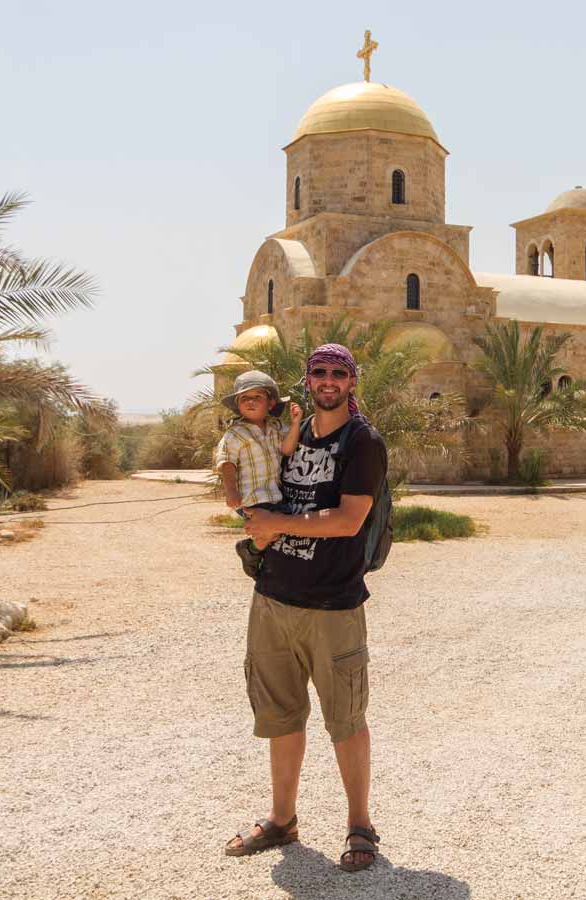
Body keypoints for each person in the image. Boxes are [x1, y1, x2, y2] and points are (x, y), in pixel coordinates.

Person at [224, 343, 388, 874]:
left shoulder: (362, 442)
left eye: (339, 372)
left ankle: (360, 825)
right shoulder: (291, 436)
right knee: (280, 713)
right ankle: (282, 819)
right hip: (273, 597)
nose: (329, 380)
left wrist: (274, 526)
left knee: (346, 718)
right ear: (307, 380)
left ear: (352, 382)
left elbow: (347, 521)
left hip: (332, 604)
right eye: (320, 371)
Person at [214, 370, 303, 577]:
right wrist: (230, 491)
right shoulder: (235, 433)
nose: (251, 401)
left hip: (274, 495)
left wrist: (297, 423)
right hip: (251, 498)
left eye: (257, 397)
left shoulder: (276, 428)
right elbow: (226, 462)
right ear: (238, 404)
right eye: (245, 398)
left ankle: (251, 550)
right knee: (271, 529)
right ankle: (252, 551)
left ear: (270, 403)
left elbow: (287, 449)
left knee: (282, 528)